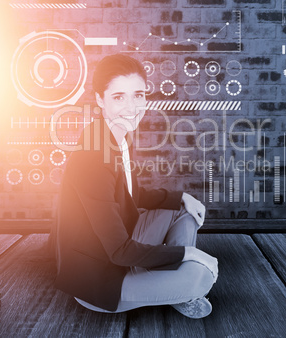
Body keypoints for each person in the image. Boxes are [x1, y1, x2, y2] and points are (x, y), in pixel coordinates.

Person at [54, 54, 218, 318]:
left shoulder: (118, 136)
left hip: (126, 242)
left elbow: (132, 195)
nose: (132, 106)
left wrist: (183, 196)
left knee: (183, 211)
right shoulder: (92, 158)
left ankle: (165, 281)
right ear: (99, 100)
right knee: (201, 276)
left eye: (138, 95)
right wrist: (189, 253)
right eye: (118, 97)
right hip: (101, 280)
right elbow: (119, 252)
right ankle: (176, 286)